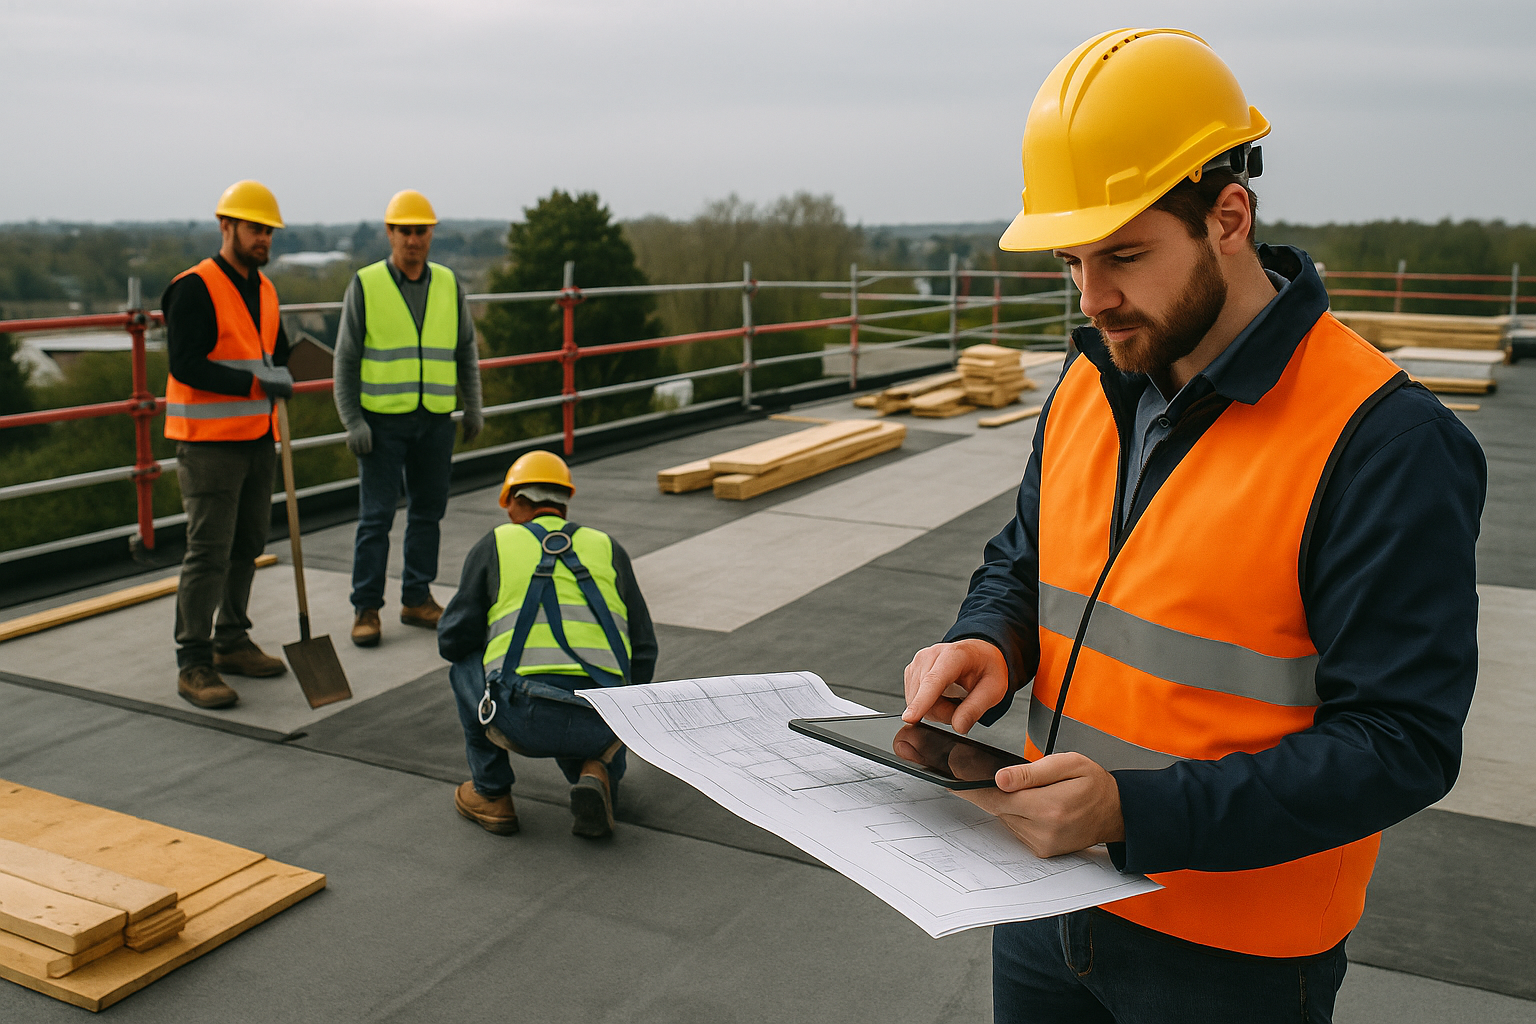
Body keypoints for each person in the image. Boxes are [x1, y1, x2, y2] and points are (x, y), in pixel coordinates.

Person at [901, 28, 1485, 1024]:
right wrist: (987, 636)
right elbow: (1026, 554)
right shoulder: (1093, 379)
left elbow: (1402, 740)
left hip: (1236, 958)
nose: (1095, 299)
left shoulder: (1380, 439)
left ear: (1228, 216)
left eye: (1125, 255)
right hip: (1046, 900)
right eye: (1074, 261)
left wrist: (1135, 812)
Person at [437, 451, 657, 839]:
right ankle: (597, 770)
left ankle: (492, 794)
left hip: (523, 716)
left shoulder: (497, 543)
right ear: (562, 502)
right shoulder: (607, 546)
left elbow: (453, 637)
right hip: (604, 723)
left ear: (518, 501)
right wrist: (625, 713)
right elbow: (643, 648)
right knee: (605, 686)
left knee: (463, 663)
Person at [162, 180, 296, 710]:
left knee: (247, 545)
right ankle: (193, 660)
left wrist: (283, 375)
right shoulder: (193, 287)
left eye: (267, 230)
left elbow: (275, 353)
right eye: (254, 228)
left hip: (258, 437)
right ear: (226, 227)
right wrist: (255, 385)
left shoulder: (264, 289)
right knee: (208, 552)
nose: (263, 238)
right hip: (210, 443)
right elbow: (184, 363)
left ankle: (232, 639)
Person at [333, 189, 484, 647]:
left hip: (436, 419)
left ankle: (417, 598)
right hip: (381, 423)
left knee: (427, 513)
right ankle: (366, 609)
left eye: (421, 231)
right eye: (404, 231)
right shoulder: (366, 284)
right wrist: (352, 421)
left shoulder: (448, 284)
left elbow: (465, 350)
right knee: (375, 518)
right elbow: (345, 358)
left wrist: (472, 405)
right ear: (390, 233)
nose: (413, 240)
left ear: (431, 233)